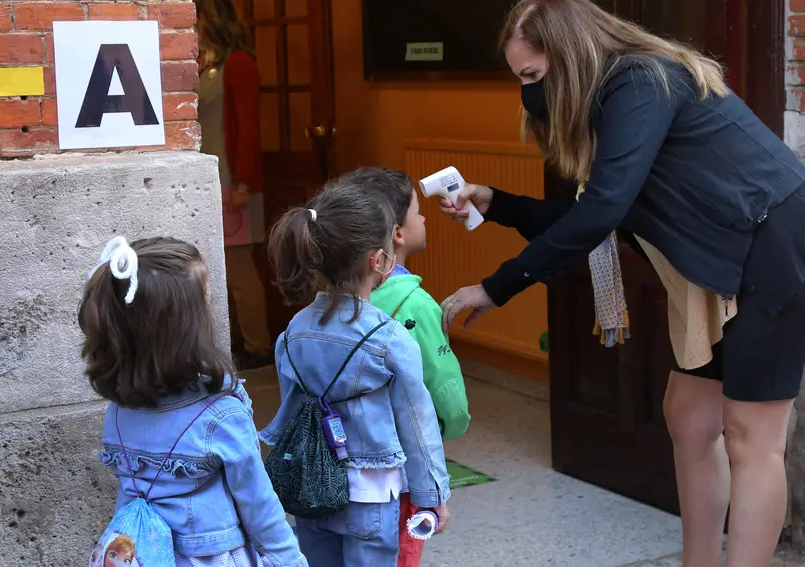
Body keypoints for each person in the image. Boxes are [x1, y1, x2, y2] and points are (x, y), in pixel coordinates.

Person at [437, 1, 805, 566]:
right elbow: (600, 213)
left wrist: (496, 287)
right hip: (724, 252)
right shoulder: (616, 98)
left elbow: (603, 210)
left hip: (775, 244)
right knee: (690, 414)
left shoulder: (642, 82)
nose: (529, 95)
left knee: (752, 435)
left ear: (570, 56)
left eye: (533, 77)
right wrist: (497, 203)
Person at [78, 236, 306, 567]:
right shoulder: (220, 414)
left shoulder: (120, 407)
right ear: (186, 328)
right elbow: (260, 507)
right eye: (206, 302)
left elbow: (132, 494)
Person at [262, 172, 451, 567]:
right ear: (379, 260)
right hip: (371, 495)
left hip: (311, 487)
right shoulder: (391, 340)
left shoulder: (292, 333)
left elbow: (294, 413)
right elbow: (417, 425)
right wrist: (431, 497)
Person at [364, 167, 470, 567]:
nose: (425, 218)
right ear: (397, 233)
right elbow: (447, 393)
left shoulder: (326, 305)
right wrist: (450, 427)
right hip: (404, 476)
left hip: (347, 473)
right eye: (417, 212)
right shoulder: (418, 305)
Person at [195, 0, 273, 370]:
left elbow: (248, 129)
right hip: (211, 181)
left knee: (239, 270)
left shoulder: (239, 63)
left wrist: (243, 183)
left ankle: (258, 347)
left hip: (232, 182)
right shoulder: (207, 66)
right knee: (220, 269)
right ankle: (238, 342)